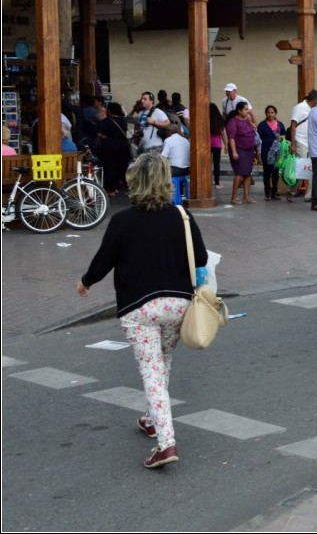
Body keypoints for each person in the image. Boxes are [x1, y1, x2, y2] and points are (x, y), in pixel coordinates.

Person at [76, 153, 208, 469]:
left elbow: (104, 260)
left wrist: (85, 281)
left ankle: (166, 443)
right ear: (165, 181)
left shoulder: (123, 221)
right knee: (163, 362)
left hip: (139, 307)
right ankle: (151, 419)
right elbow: (201, 258)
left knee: (151, 373)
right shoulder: (182, 216)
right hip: (178, 304)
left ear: (134, 182)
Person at [286, 90, 317, 202]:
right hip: (300, 141)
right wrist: (293, 144)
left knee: (311, 168)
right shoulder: (299, 107)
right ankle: (291, 190)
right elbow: (293, 126)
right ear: (314, 100)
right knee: (301, 168)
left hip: (311, 142)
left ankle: (309, 195)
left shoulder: (315, 109)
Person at [225, 100, 258, 204]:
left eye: (248, 109)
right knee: (239, 173)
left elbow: (255, 127)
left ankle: (246, 197)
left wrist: (252, 115)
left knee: (248, 173)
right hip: (239, 149)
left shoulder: (247, 120)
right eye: (245, 109)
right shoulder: (233, 121)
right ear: (239, 111)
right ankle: (234, 197)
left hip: (249, 150)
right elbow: (231, 138)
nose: (247, 111)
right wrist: (234, 152)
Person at [95, 102, 132, 196]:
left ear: (109, 111)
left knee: (110, 168)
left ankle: (112, 189)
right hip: (123, 147)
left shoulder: (106, 121)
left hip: (110, 147)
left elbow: (97, 132)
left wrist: (103, 136)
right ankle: (126, 187)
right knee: (123, 167)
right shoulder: (123, 121)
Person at [256, 104, 286, 201]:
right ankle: (267, 193)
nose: (270, 114)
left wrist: (282, 138)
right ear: (266, 113)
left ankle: (274, 192)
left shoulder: (280, 125)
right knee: (267, 173)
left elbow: (285, 135)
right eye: (268, 112)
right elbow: (258, 139)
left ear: (275, 113)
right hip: (266, 152)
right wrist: (258, 153)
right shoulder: (262, 125)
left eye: (272, 112)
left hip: (277, 153)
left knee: (275, 173)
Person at [160, 123, 191, 200]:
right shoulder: (185, 140)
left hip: (175, 170)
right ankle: (182, 194)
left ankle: (167, 194)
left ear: (169, 131)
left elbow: (163, 157)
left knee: (161, 170)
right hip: (187, 170)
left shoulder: (168, 140)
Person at [209, 103, 226, 189]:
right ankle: (217, 183)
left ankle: (208, 181)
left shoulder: (205, 119)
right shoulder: (219, 119)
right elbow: (222, 133)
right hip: (217, 144)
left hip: (206, 144)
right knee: (216, 164)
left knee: (207, 163)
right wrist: (226, 145)